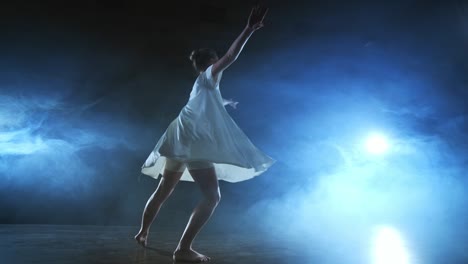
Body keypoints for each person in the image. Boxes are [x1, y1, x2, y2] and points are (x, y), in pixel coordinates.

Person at [135, 5, 273, 263]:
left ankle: (142, 232)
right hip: (191, 141)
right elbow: (231, 56)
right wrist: (248, 29)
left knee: (163, 191)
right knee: (213, 196)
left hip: (178, 136)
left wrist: (226, 102)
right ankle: (183, 249)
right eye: (216, 62)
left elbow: (206, 105)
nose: (219, 65)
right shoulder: (208, 75)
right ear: (211, 63)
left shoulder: (203, 87)